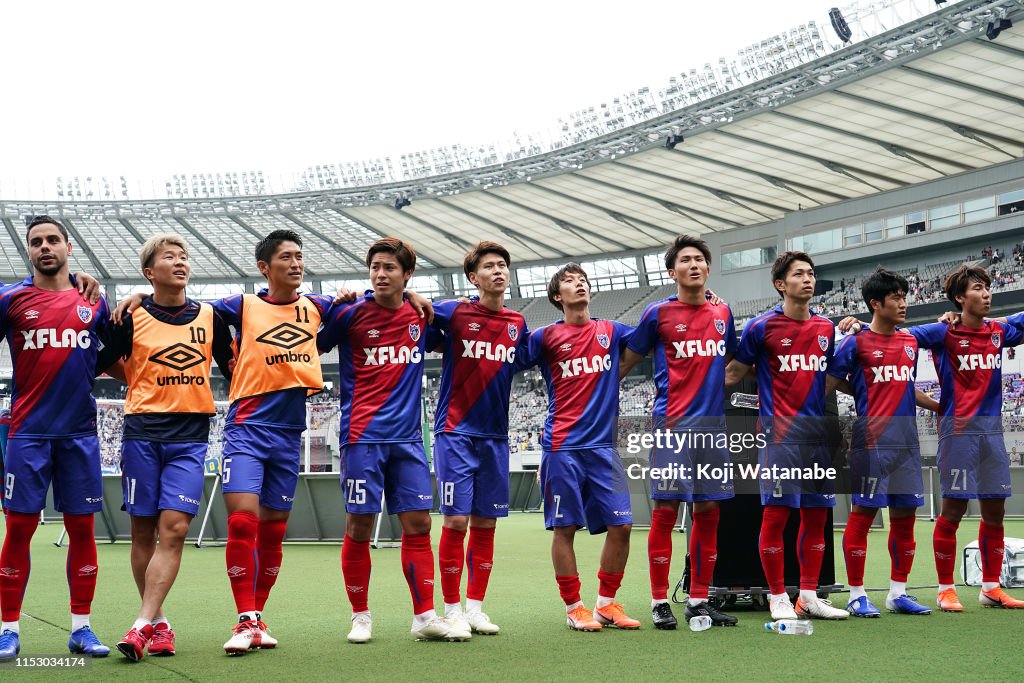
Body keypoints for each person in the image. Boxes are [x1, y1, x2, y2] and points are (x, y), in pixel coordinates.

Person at [843, 265, 1024, 610]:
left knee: (995, 512)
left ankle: (990, 587)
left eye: (988, 288)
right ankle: (945, 589)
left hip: (992, 434)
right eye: (977, 288)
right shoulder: (941, 332)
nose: (986, 294)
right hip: (956, 433)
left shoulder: (1000, 330)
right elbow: (893, 337)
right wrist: (861, 325)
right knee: (953, 509)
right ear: (959, 298)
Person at [318, 237, 465, 643]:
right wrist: (335, 300)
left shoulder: (423, 318)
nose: (380, 274)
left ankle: (424, 616)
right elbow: (314, 342)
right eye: (375, 267)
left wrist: (415, 298)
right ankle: (360, 617)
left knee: (418, 525)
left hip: (409, 441)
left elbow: (468, 317)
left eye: (389, 268)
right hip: (361, 436)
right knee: (360, 525)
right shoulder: (350, 314)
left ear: (407, 275)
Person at [102, 234, 234, 660]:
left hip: (190, 437)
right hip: (142, 434)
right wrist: (138, 381)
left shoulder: (211, 317)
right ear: (149, 272)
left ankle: (140, 624)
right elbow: (104, 359)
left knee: (173, 529)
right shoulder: (131, 316)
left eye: (183, 257)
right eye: (169, 258)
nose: (180, 263)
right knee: (142, 532)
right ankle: (160, 625)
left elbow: (233, 367)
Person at [0, 216, 113, 660]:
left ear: (68, 246)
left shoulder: (95, 303)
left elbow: (121, 351)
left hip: (80, 434)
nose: (44, 247)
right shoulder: (11, 300)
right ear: (28, 251)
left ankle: (82, 628)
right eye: (35, 242)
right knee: (19, 529)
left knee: (82, 529)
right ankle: (8, 629)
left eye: (52, 240)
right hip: (27, 433)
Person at [618, 236, 738, 629]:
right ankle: (658, 602)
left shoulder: (723, 313)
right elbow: (626, 360)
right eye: (685, 260)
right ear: (672, 272)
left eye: (700, 259)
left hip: (714, 430)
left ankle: (699, 601)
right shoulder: (657, 314)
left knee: (708, 512)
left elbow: (735, 362)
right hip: (672, 427)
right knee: (666, 513)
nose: (694, 264)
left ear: (708, 268)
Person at [724, 251, 849, 621]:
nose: (808, 279)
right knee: (776, 518)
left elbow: (834, 379)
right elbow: (734, 374)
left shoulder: (826, 328)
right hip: (779, 439)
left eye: (811, 273)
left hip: (818, 441)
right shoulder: (762, 327)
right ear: (781, 284)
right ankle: (778, 597)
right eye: (799, 274)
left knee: (816, 518)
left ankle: (808, 595)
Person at [517, 263, 639, 632]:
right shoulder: (544, 337)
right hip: (562, 447)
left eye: (583, 280)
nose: (579, 285)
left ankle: (606, 604)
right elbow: (506, 357)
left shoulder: (612, 330)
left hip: (603, 447)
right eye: (570, 282)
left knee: (623, 525)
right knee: (565, 528)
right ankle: (574, 607)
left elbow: (654, 333)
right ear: (557, 296)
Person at [827, 268, 937, 618]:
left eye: (905, 297)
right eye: (897, 298)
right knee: (863, 515)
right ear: (876, 304)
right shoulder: (855, 342)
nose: (904, 303)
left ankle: (898, 593)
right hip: (870, 441)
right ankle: (857, 594)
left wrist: (938, 405)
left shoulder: (910, 340)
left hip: (907, 443)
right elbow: (829, 383)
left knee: (905, 518)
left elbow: (903, 386)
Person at [431, 241, 528, 636]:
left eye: (503, 265)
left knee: (486, 524)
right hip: (455, 431)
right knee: (455, 521)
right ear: (474, 277)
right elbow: (411, 305)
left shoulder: (517, 323)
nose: (498, 271)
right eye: (489, 266)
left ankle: (474, 609)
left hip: (495, 437)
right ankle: (451, 609)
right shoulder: (455, 310)